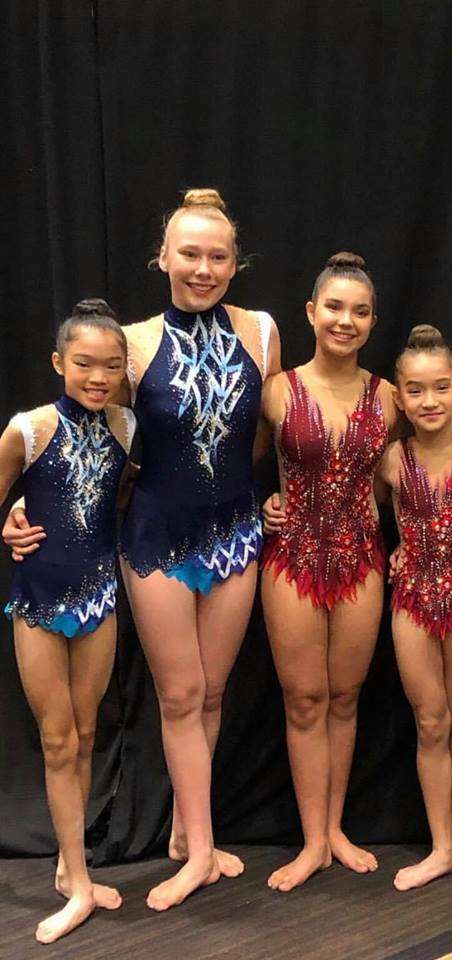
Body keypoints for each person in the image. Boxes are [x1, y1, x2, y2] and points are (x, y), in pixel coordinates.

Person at [3, 188, 281, 911]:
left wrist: (264, 496)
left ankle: (191, 834)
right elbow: (94, 438)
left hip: (234, 531)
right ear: (163, 258)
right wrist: (24, 508)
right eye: (189, 254)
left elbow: (265, 430)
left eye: (217, 256)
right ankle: (198, 851)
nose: (203, 268)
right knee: (180, 693)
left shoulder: (261, 331)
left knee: (212, 692)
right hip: (156, 536)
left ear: (235, 263)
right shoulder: (132, 342)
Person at [260, 252, 397, 892]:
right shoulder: (277, 390)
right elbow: (239, 468)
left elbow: (403, 480)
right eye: (335, 308)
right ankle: (312, 839)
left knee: (344, 696)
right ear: (312, 313)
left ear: (372, 321)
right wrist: (264, 503)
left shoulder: (388, 397)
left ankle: (335, 829)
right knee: (304, 698)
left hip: (360, 557)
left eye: (359, 312)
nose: (346, 321)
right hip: (293, 558)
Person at [0, 300, 132, 943]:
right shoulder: (27, 429)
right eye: (84, 364)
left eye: (111, 366)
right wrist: (7, 524)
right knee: (57, 741)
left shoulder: (125, 426)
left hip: (99, 599)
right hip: (41, 603)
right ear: (58, 363)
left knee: (85, 735)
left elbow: (124, 493)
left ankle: (68, 868)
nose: (98, 377)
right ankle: (79, 883)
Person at [376, 324, 452, 890]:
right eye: (416, 390)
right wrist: (396, 547)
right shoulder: (390, 460)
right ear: (400, 398)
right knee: (430, 722)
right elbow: (363, 514)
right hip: (412, 601)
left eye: (441, 387)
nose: (430, 400)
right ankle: (439, 844)